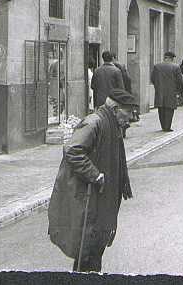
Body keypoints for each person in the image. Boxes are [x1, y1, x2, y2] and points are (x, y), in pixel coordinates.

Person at [48, 88, 136, 272]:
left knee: (94, 249)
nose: (129, 119)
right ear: (114, 109)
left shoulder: (111, 124)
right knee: (87, 249)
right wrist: (94, 174)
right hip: (89, 196)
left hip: (101, 197)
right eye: (127, 113)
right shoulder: (94, 122)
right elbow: (73, 150)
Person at [150, 51, 183, 132]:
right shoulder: (176, 67)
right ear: (171, 58)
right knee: (169, 109)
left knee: (161, 109)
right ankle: (167, 127)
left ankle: (163, 126)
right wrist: (178, 90)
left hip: (159, 91)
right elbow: (180, 81)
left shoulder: (157, 66)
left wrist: (157, 86)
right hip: (171, 91)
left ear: (165, 57)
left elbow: (152, 78)